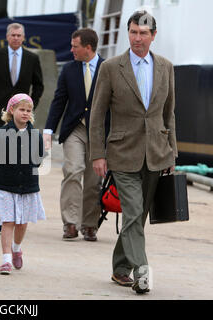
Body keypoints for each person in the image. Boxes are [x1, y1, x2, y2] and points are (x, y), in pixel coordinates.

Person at [89, 11, 177, 294]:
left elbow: (168, 113)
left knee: (137, 218)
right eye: (133, 32)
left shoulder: (166, 66)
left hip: (156, 152)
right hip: (122, 153)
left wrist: (172, 152)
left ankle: (119, 268)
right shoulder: (112, 67)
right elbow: (98, 113)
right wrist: (97, 154)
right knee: (133, 210)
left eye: (143, 33)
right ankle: (141, 271)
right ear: (128, 34)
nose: (137, 38)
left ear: (153, 36)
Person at [0, 22, 44, 232]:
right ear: (7, 37)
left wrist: (30, 106)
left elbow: (39, 84)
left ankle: (10, 184)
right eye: (12, 35)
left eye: (19, 35)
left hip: (22, 112)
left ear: (24, 38)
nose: (16, 38)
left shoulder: (32, 58)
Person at [44, 28, 105, 242]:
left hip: (99, 132)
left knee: (93, 180)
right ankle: (70, 223)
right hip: (74, 130)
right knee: (72, 170)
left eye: (75, 46)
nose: (71, 50)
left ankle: (89, 224)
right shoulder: (69, 69)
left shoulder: (109, 69)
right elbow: (59, 99)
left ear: (88, 47)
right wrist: (49, 129)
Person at [0, 93, 45, 275]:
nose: (25, 113)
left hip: (28, 186)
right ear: (11, 110)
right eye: (21, 109)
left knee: (22, 223)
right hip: (6, 186)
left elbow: (38, 160)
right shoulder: (1, 133)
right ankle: (5, 260)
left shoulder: (35, 135)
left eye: (29, 110)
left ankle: (16, 247)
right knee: (8, 221)